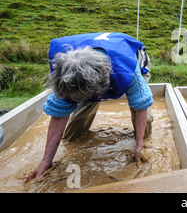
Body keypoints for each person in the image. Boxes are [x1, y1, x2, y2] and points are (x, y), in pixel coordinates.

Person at [26, 32, 153, 182]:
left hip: (130, 62)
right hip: (87, 75)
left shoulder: (127, 70)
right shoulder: (67, 77)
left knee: (146, 122)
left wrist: (139, 146)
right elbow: (59, 115)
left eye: (83, 96)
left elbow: (141, 105)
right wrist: (45, 161)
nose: (79, 99)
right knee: (74, 129)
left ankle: (142, 140)